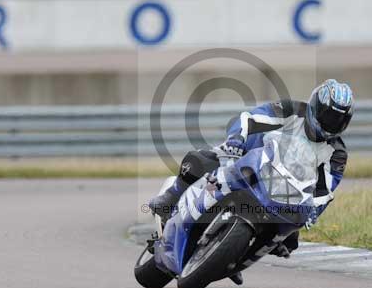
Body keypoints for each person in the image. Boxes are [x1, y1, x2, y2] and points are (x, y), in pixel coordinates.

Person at [148, 79, 354, 258]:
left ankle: (235, 258)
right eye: (327, 116)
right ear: (316, 106)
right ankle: (171, 197)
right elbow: (251, 118)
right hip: (244, 159)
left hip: (286, 192)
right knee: (199, 161)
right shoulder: (291, 110)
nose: (331, 123)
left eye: (338, 120)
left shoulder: (337, 153)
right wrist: (237, 138)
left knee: (290, 240)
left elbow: (325, 191)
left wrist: (313, 210)